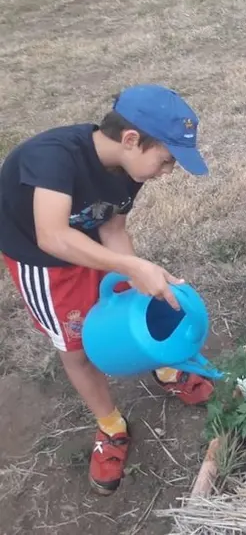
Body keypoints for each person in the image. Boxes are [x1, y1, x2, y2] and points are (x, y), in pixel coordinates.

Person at [0, 84, 217, 496]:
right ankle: (111, 426)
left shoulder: (127, 167)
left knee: (136, 309)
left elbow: (112, 227)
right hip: (45, 262)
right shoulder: (52, 157)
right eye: (166, 161)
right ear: (131, 139)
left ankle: (164, 364)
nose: (167, 173)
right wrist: (131, 265)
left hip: (89, 243)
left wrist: (137, 281)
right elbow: (51, 236)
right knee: (78, 348)